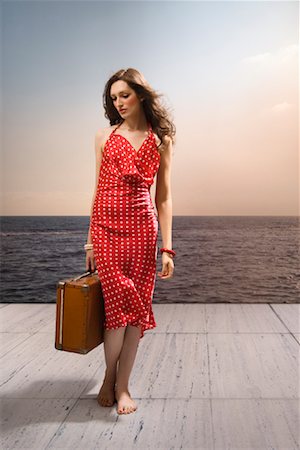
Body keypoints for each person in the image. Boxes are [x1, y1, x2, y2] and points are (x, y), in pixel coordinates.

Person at [85, 68, 175, 415]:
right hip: (107, 229)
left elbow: (164, 198)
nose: (119, 103)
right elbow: (96, 190)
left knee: (135, 313)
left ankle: (123, 387)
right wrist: (90, 241)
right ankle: (109, 376)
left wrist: (167, 248)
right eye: (113, 98)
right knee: (116, 313)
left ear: (140, 95)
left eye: (124, 95)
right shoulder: (104, 137)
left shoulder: (160, 140)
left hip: (142, 230)